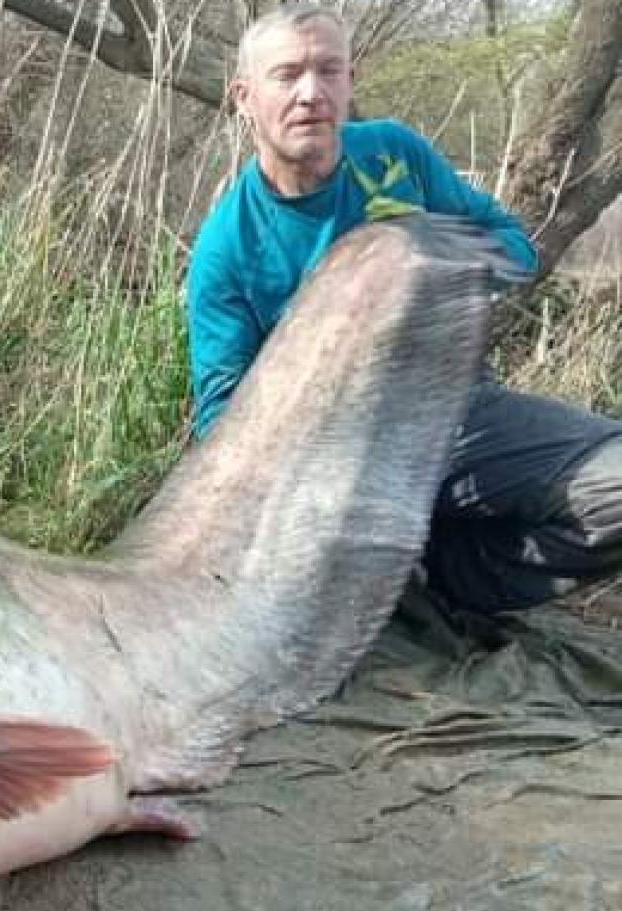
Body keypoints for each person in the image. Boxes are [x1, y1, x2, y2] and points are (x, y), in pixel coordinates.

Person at [185, 3, 622, 616]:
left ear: (349, 82)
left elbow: (513, 246)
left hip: (457, 412)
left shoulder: (394, 156)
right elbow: (219, 422)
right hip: (329, 459)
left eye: (327, 71)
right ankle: (387, 574)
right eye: (286, 76)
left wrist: (432, 258)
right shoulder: (225, 249)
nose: (310, 93)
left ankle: (450, 575)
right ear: (244, 97)